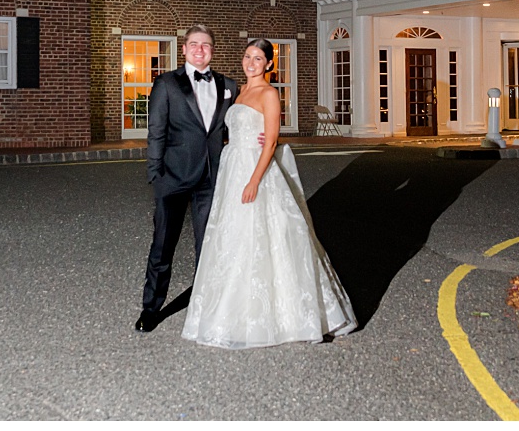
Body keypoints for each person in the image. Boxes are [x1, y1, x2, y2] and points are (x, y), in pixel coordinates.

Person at [181, 38, 356, 349]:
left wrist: (253, 181)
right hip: (232, 169)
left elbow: (271, 142)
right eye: (247, 56)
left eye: (258, 58)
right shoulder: (239, 92)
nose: (251, 62)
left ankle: (287, 317)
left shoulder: (269, 94)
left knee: (268, 239)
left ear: (269, 65)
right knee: (234, 239)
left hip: (254, 171)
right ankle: (232, 311)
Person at [137, 25, 235, 333]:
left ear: (212, 50)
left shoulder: (229, 85)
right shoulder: (166, 84)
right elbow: (156, 133)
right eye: (194, 44)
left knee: (208, 247)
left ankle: (206, 306)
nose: (199, 49)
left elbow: (232, 130)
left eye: (206, 45)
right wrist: (156, 174)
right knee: (163, 246)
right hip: (173, 179)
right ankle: (151, 308)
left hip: (211, 181)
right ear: (184, 49)